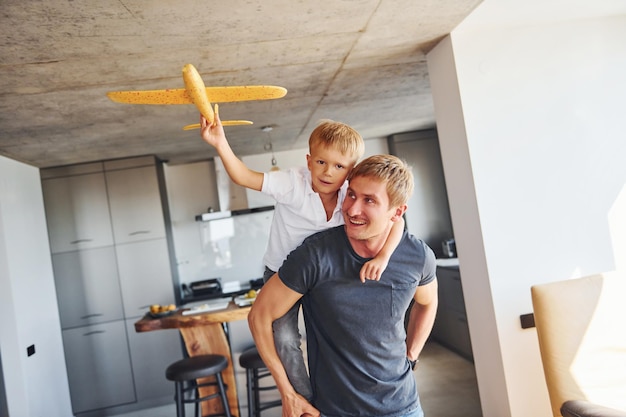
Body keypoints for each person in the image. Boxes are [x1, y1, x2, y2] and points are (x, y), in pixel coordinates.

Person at [200, 112, 404, 400]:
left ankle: (351, 394)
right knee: (284, 339)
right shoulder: (292, 183)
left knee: (339, 336)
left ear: (351, 170)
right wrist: (220, 142)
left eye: (338, 166)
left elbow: (397, 220)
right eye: (320, 162)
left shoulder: (351, 192)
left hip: (324, 274)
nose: (327, 172)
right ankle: (305, 403)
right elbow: (243, 176)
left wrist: (383, 257)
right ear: (309, 161)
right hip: (282, 275)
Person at [248, 154, 438, 417]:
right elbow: (259, 316)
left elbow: (428, 302)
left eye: (369, 200)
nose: (352, 209)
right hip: (334, 410)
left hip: (403, 408)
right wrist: (287, 393)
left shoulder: (417, 256)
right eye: (351, 195)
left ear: (397, 212)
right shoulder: (314, 255)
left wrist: (411, 355)